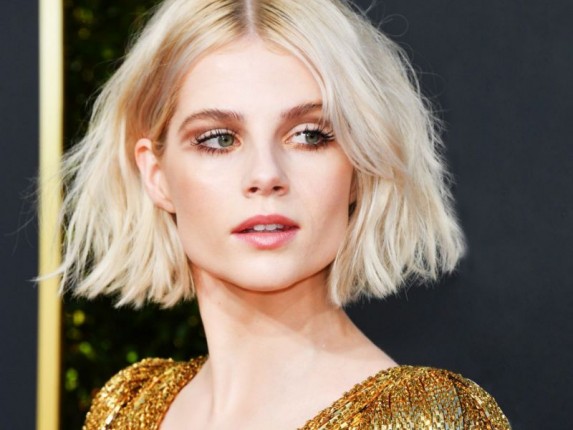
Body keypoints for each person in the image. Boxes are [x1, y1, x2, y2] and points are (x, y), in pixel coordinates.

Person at [59, 0, 510, 428]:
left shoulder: (433, 420)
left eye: (310, 135)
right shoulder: (126, 409)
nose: (266, 175)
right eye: (218, 139)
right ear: (156, 176)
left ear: (358, 167)